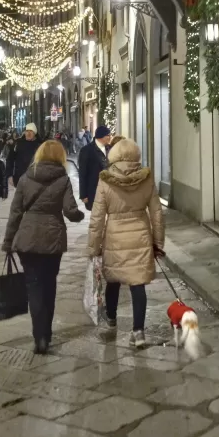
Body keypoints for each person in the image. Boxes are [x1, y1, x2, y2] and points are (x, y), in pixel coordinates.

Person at [3, 139, 84, 354]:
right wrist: (79, 215)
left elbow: (16, 212)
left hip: (27, 237)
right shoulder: (63, 179)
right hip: (52, 238)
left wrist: (8, 241)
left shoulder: (26, 177)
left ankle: (39, 336)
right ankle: (46, 333)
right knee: (49, 286)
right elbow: (70, 210)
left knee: (34, 287)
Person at [87, 137, 165, 349]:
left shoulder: (105, 180)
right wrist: (158, 243)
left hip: (115, 238)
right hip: (140, 236)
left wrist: (93, 248)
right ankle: (138, 332)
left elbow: (97, 217)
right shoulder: (146, 178)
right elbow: (157, 213)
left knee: (113, 278)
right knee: (137, 283)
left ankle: (111, 317)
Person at [78, 125, 112, 211]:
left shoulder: (110, 148)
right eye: (108, 135)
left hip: (110, 190)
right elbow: (82, 173)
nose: (110, 137)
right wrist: (83, 194)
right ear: (101, 136)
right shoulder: (86, 150)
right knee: (97, 217)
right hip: (94, 190)